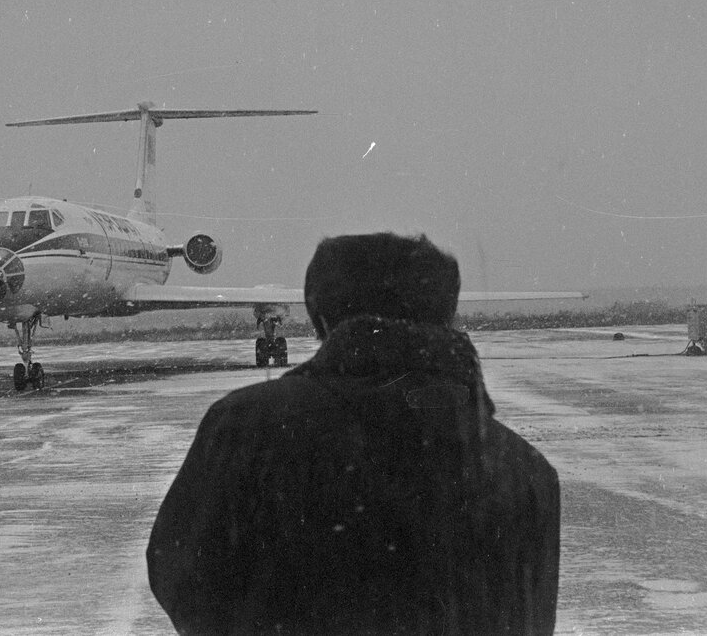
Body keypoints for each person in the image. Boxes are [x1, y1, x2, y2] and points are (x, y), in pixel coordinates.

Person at [147, 233, 560, 635]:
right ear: (446, 315)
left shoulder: (246, 429)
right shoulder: (524, 470)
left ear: (322, 320)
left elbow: (182, 575)